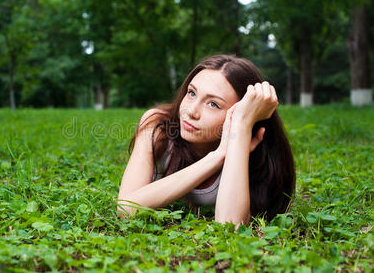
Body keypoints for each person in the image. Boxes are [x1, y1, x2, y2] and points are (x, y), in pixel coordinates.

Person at [117, 54, 295, 225]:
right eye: (192, 93)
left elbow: (230, 226)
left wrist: (240, 128)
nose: (191, 111)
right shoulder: (158, 124)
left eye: (213, 104)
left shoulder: (255, 151)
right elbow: (126, 208)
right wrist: (218, 156)